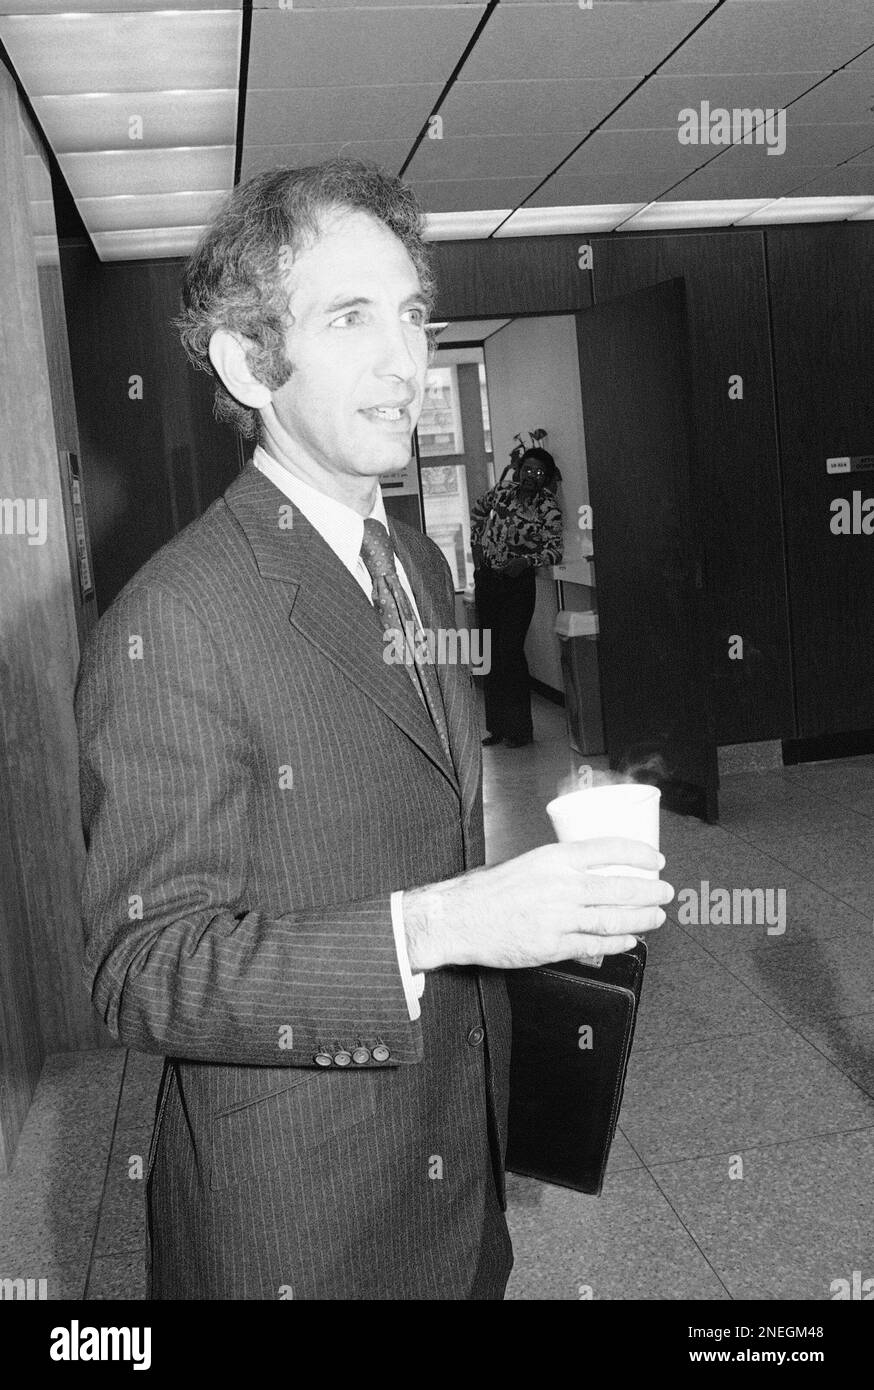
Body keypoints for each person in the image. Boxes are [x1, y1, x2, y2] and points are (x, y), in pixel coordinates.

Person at [75, 159, 671, 1301]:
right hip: (300, 1212)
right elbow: (141, 970)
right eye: (351, 318)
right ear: (250, 363)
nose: (406, 362)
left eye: (411, 313)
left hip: (455, 1167)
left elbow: (409, 835)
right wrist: (443, 923)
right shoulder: (176, 618)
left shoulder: (421, 566)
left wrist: (535, 913)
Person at [471, 449, 563, 747]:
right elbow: (478, 511)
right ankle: (497, 728)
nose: (531, 476)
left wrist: (525, 561)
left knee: (510, 651)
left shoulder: (547, 506)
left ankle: (520, 730)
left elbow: (555, 549)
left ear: (546, 477)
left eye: (539, 472)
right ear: (518, 470)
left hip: (517, 585)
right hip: (488, 581)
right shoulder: (502, 492)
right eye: (527, 469)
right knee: (490, 652)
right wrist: (477, 550)